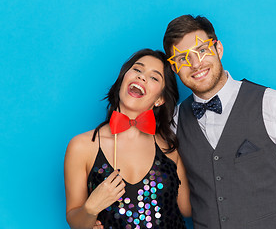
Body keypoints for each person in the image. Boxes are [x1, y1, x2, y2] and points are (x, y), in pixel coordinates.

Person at [162, 15, 276, 229]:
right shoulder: (175, 120)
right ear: (174, 68)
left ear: (218, 49)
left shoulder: (273, 105)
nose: (195, 63)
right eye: (183, 58)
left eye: (202, 50)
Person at [64, 49, 191, 229]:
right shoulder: (82, 146)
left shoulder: (169, 147)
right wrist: (90, 209)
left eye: (154, 77)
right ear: (123, 78)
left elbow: (189, 209)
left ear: (160, 99)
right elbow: (75, 222)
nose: (142, 77)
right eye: (137, 70)